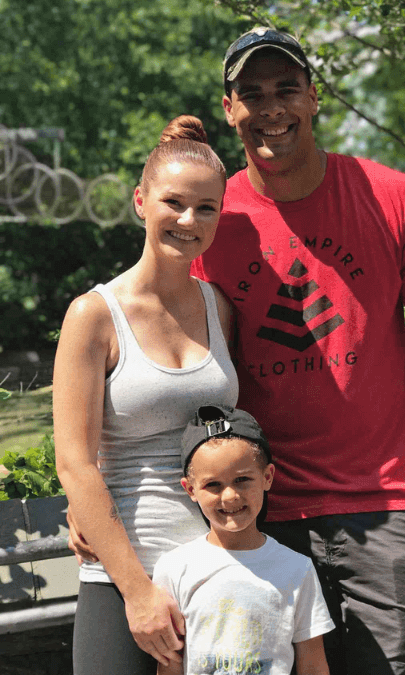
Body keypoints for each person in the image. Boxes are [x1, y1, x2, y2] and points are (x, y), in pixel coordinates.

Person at [188, 28, 405, 674]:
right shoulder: (211, 219)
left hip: (382, 502)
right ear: (229, 108)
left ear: (314, 97)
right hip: (259, 510)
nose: (271, 108)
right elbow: (173, 354)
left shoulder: (391, 197)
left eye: (286, 90)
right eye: (252, 93)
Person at [53, 115, 237, 674]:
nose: (188, 220)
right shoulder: (93, 315)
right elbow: (75, 464)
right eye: (173, 203)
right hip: (122, 578)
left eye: (206, 207)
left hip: (216, 571)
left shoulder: (219, 308)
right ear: (140, 201)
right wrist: (137, 593)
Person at [154, 404, 334, 675]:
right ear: (190, 489)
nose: (230, 496)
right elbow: (170, 664)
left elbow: (312, 663)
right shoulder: (174, 568)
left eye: (242, 480)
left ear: (267, 477)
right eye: (213, 485)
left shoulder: (298, 569)